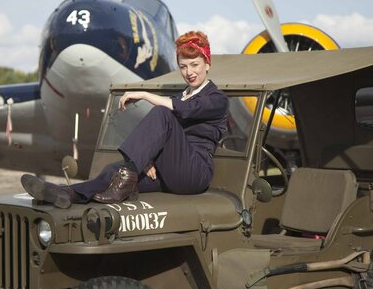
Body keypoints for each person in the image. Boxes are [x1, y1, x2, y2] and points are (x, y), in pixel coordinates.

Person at [21, 31, 228, 208]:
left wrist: (145, 95)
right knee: (113, 171)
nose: (189, 72)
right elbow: (166, 134)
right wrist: (147, 160)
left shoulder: (216, 99)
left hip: (194, 174)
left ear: (207, 64)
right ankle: (66, 193)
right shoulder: (181, 96)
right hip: (170, 173)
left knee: (161, 114)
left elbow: (185, 110)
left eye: (195, 64)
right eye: (183, 66)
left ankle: (127, 177)